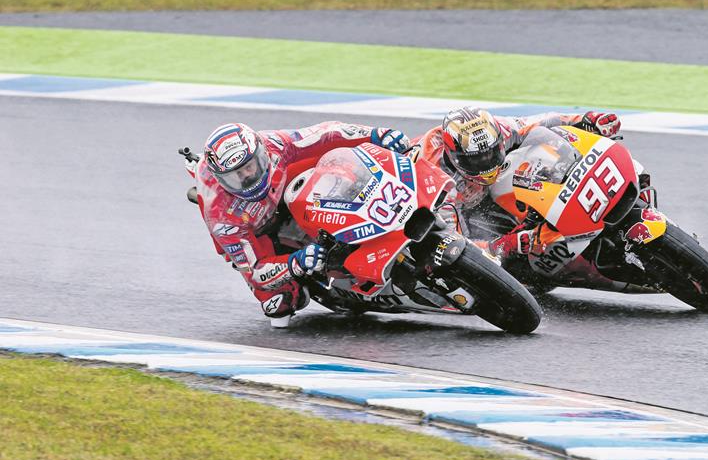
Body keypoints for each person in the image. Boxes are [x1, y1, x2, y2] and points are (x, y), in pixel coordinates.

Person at [193, 121, 410, 327]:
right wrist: (295, 263)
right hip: (255, 229)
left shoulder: (274, 144)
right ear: (222, 180)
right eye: (236, 176)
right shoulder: (220, 214)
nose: (248, 178)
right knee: (280, 303)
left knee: (335, 161)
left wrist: (376, 134)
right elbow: (257, 271)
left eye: (250, 167)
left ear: (261, 154)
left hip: (280, 184)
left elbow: (326, 133)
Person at [414, 106, 622, 258]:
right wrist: (508, 244)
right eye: (476, 159)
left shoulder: (501, 130)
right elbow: (451, 245)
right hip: (456, 210)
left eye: (492, 153)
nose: (487, 164)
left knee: (527, 155)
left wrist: (585, 119)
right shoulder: (438, 181)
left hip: (481, 191)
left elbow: (542, 122)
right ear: (454, 155)